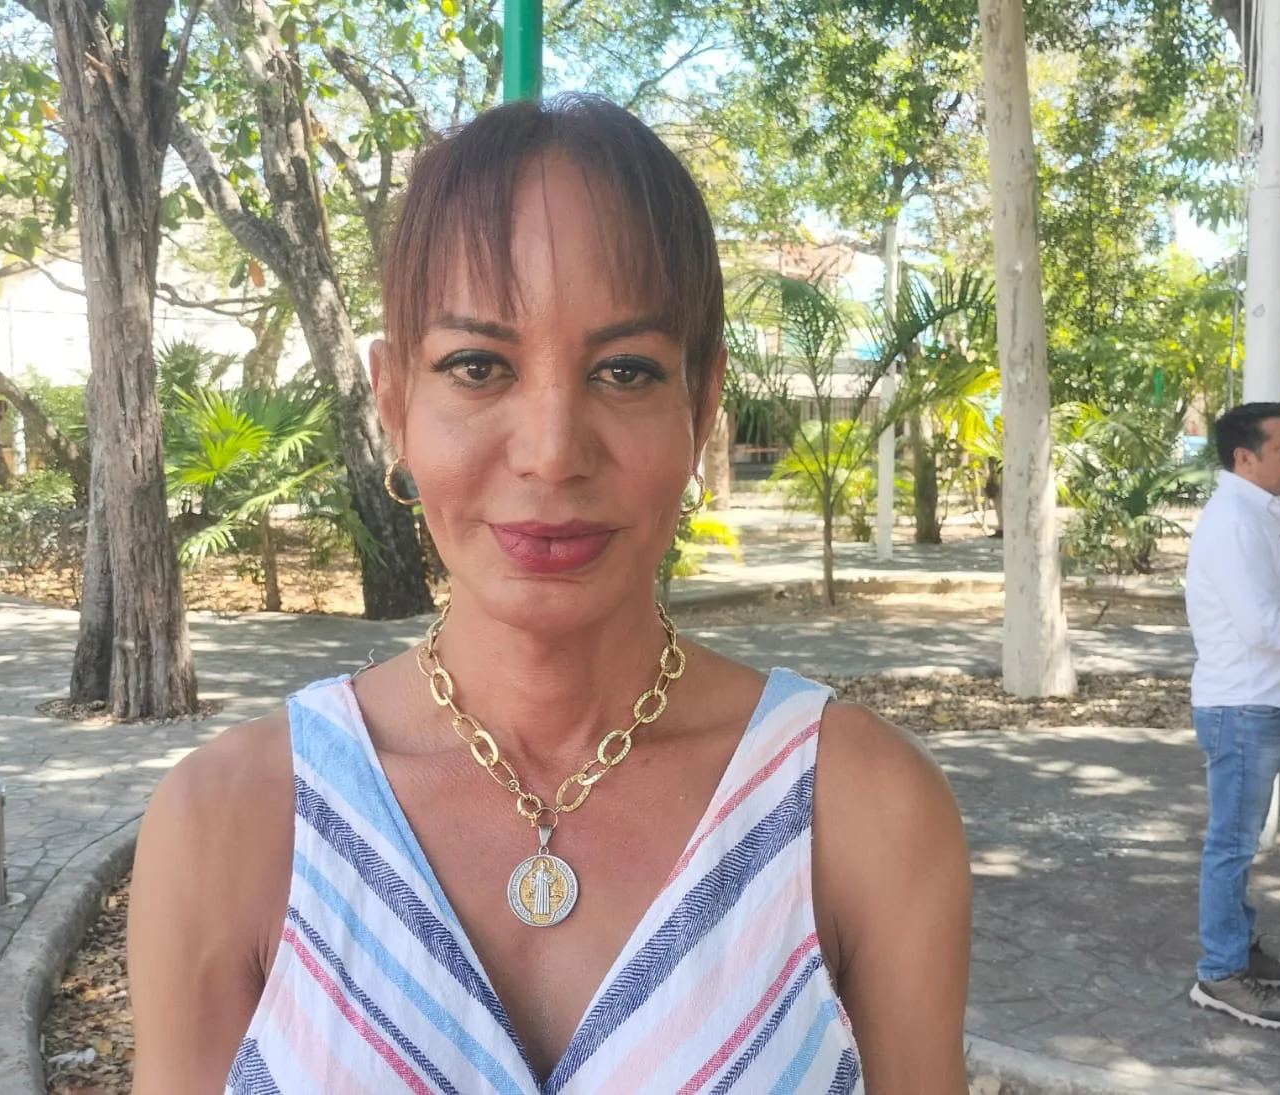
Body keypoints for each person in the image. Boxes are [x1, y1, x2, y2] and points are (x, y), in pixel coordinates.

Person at [127, 95, 971, 1095]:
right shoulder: (233, 822)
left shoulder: (858, 809)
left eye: (625, 371)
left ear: (703, 406)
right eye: (477, 366)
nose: (552, 451)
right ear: (393, 400)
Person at [1185, 402, 1280, 1030]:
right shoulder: (1233, 523)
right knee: (1231, 844)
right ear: (1244, 458)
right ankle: (1220, 974)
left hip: (1260, 700)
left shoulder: (1258, 512)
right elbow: (1263, 628)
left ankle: (1238, 950)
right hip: (1243, 703)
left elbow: (1276, 610)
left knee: (1239, 843)